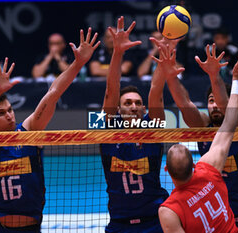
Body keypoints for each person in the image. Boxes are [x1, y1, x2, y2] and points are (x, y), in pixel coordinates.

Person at [0, 28, 100, 232]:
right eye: (1, 113)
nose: (9, 115)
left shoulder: (29, 133)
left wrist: (78, 63)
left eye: (10, 110)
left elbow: (53, 93)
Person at [165, 43, 238, 232]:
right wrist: (171, 77)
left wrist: (215, 75)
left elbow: (225, 106)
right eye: (210, 101)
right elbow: (184, 103)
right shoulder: (203, 126)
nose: (214, 106)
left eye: (217, 100)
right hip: (217, 220)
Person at [100, 16, 180, 232]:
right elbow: (111, 90)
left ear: (144, 110)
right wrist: (117, 53)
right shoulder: (106, 129)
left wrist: (165, 54)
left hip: (154, 221)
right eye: (127, 103)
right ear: (118, 110)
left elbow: (155, 90)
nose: (134, 106)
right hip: (118, 223)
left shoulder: (153, 127)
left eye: (138, 103)